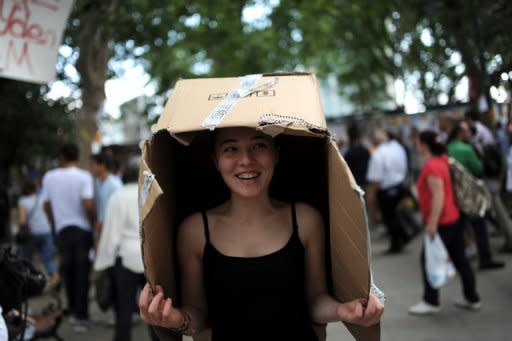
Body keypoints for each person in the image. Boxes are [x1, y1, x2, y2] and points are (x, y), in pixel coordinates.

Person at [139, 127, 384, 340]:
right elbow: (198, 315)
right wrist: (175, 320)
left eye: (259, 145)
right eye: (230, 149)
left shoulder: (306, 220)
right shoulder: (194, 231)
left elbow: (315, 301)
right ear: (215, 160)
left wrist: (343, 311)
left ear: (276, 154)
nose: (246, 159)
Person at [409, 130, 480, 315]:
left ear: (424, 145)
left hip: (443, 221)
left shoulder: (432, 165)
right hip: (453, 217)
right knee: (459, 258)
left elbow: (438, 195)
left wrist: (432, 223)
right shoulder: (442, 160)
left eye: (418, 142)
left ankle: (431, 301)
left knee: (428, 258)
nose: (417, 145)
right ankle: (472, 298)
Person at [94, 157, 149, 341]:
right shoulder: (150, 192)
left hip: (124, 258)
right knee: (155, 308)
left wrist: (102, 263)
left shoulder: (117, 196)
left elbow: (111, 233)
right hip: (150, 257)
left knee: (123, 309)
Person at [41, 143, 95, 332]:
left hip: (63, 230)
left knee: (68, 271)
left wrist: (54, 222)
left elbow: (46, 205)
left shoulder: (49, 177)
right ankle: (82, 315)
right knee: (82, 274)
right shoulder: (84, 176)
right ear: (77, 156)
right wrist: (92, 222)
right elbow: (88, 204)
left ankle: (73, 310)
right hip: (82, 230)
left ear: (61, 156)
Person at [447, 120, 505, 270]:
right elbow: (478, 168)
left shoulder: (448, 148)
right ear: (460, 133)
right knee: (480, 227)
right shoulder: (466, 148)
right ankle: (485, 258)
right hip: (471, 193)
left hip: (455, 193)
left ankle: (458, 258)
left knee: (460, 229)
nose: (470, 133)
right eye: (466, 131)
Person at [366, 128, 410, 253]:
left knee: (390, 218)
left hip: (386, 190)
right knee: (395, 216)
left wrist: (371, 194)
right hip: (399, 185)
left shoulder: (378, 154)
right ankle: (401, 238)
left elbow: (376, 179)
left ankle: (397, 243)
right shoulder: (398, 148)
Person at [17, 179, 59, 284]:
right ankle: (55, 277)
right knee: (48, 257)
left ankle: (32, 281)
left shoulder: (23, 201)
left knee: (27, 259)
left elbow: (22, 221)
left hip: (32, 234)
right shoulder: (42, 198)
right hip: (46, 231)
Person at [89, 153, 122, 248]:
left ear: (102, 165)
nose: (90, 168)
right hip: (103, 232)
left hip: (111, 233)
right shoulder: (100, 184)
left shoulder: (114, 184)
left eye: (92, 164)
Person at [343, 122, 370, 189]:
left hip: (354, 185)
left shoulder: (348, 153)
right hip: (366, 183)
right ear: (359, 136)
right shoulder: (365, 151)